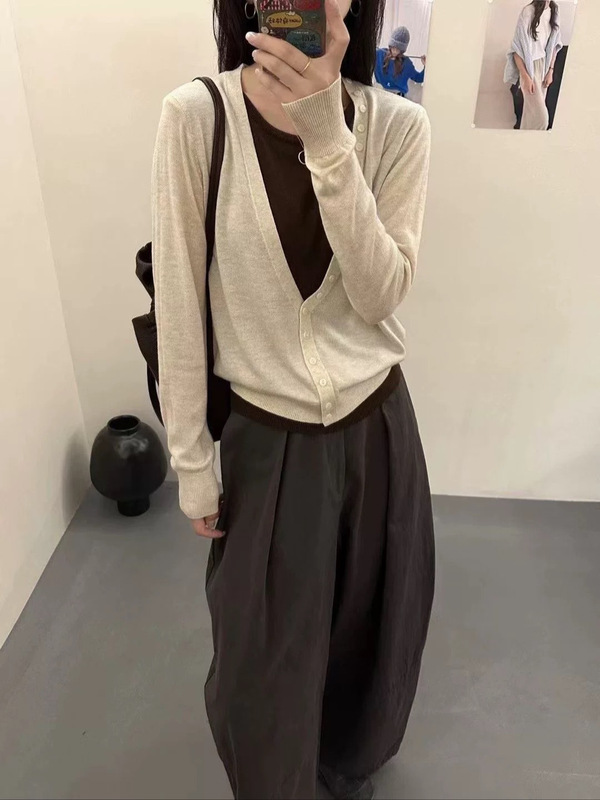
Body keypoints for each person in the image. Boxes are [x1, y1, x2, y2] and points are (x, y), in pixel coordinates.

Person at [152, 0, 435, 796]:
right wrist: (192, 463)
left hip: (378, 432)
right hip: (265, 441)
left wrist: (325, 131)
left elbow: (380, 294)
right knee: (261, 661)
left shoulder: (398, 127)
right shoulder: (196, 117)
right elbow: (179, 301)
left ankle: (346, 766)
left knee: (369, 638)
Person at [505, 0, 562, 130]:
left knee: (531, 116)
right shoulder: (528, 11)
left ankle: (524, 141)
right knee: (542, 120)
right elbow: (517, 49)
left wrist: (550, 71)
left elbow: (554, 45)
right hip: (529, 67)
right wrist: (525, 76)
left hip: (544, 65)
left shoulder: (555, 11)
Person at [374, 26, 426, 98]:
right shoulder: (379, 54)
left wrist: (425, 66)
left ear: (402, 50)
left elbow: (418, 78)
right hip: (379, 93)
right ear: (390, 46)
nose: (395, 51)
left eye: (398, 49)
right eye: (393, 47)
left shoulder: (407, 63)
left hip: (398, 97)